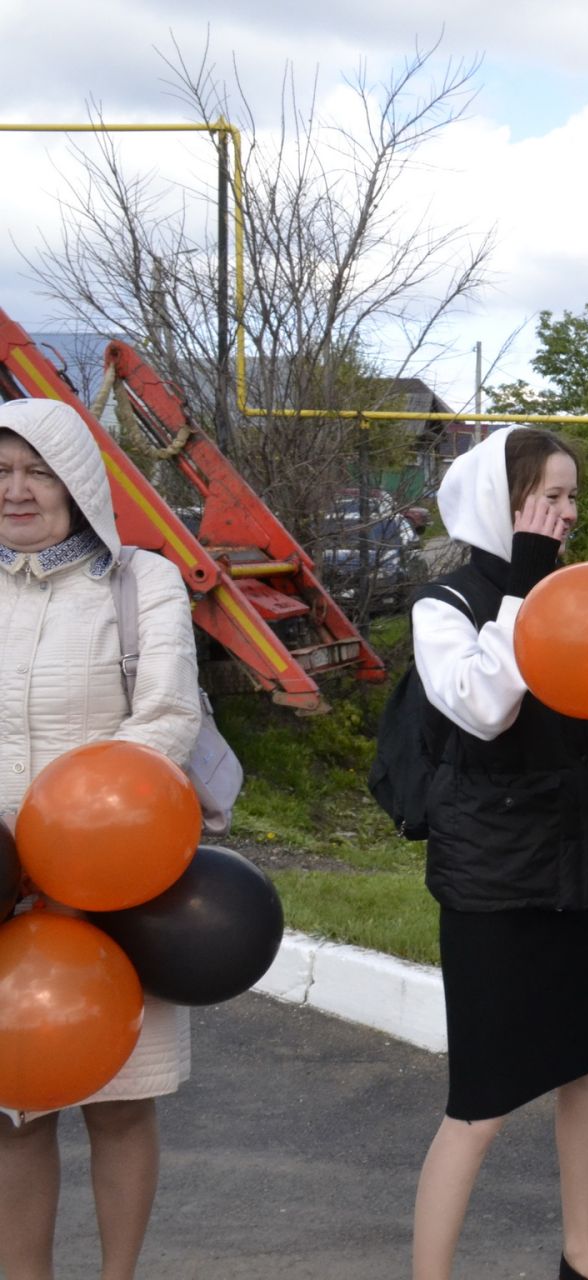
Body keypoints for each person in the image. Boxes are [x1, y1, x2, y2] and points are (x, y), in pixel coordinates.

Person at [407, 425, 588, 1280]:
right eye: (547, 496)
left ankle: (581, 1251)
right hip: (493, 884)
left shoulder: (575, 593)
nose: (565, 513)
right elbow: (484, 706)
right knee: (482, 1103)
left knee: (585, 1072)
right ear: (497, 503)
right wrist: (528, 583)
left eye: (571, 496)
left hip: (574, 872)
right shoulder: (448, 604)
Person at [0, 398, 203, 1280]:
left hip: (118, 881)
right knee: (16, 1107)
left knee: (122, 1102)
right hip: (0, 888)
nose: (16, 491)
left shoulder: (141, 582)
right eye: (1, 473)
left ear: (76, 480)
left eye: (36, 471)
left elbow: (163, 718)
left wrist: (85, 837)